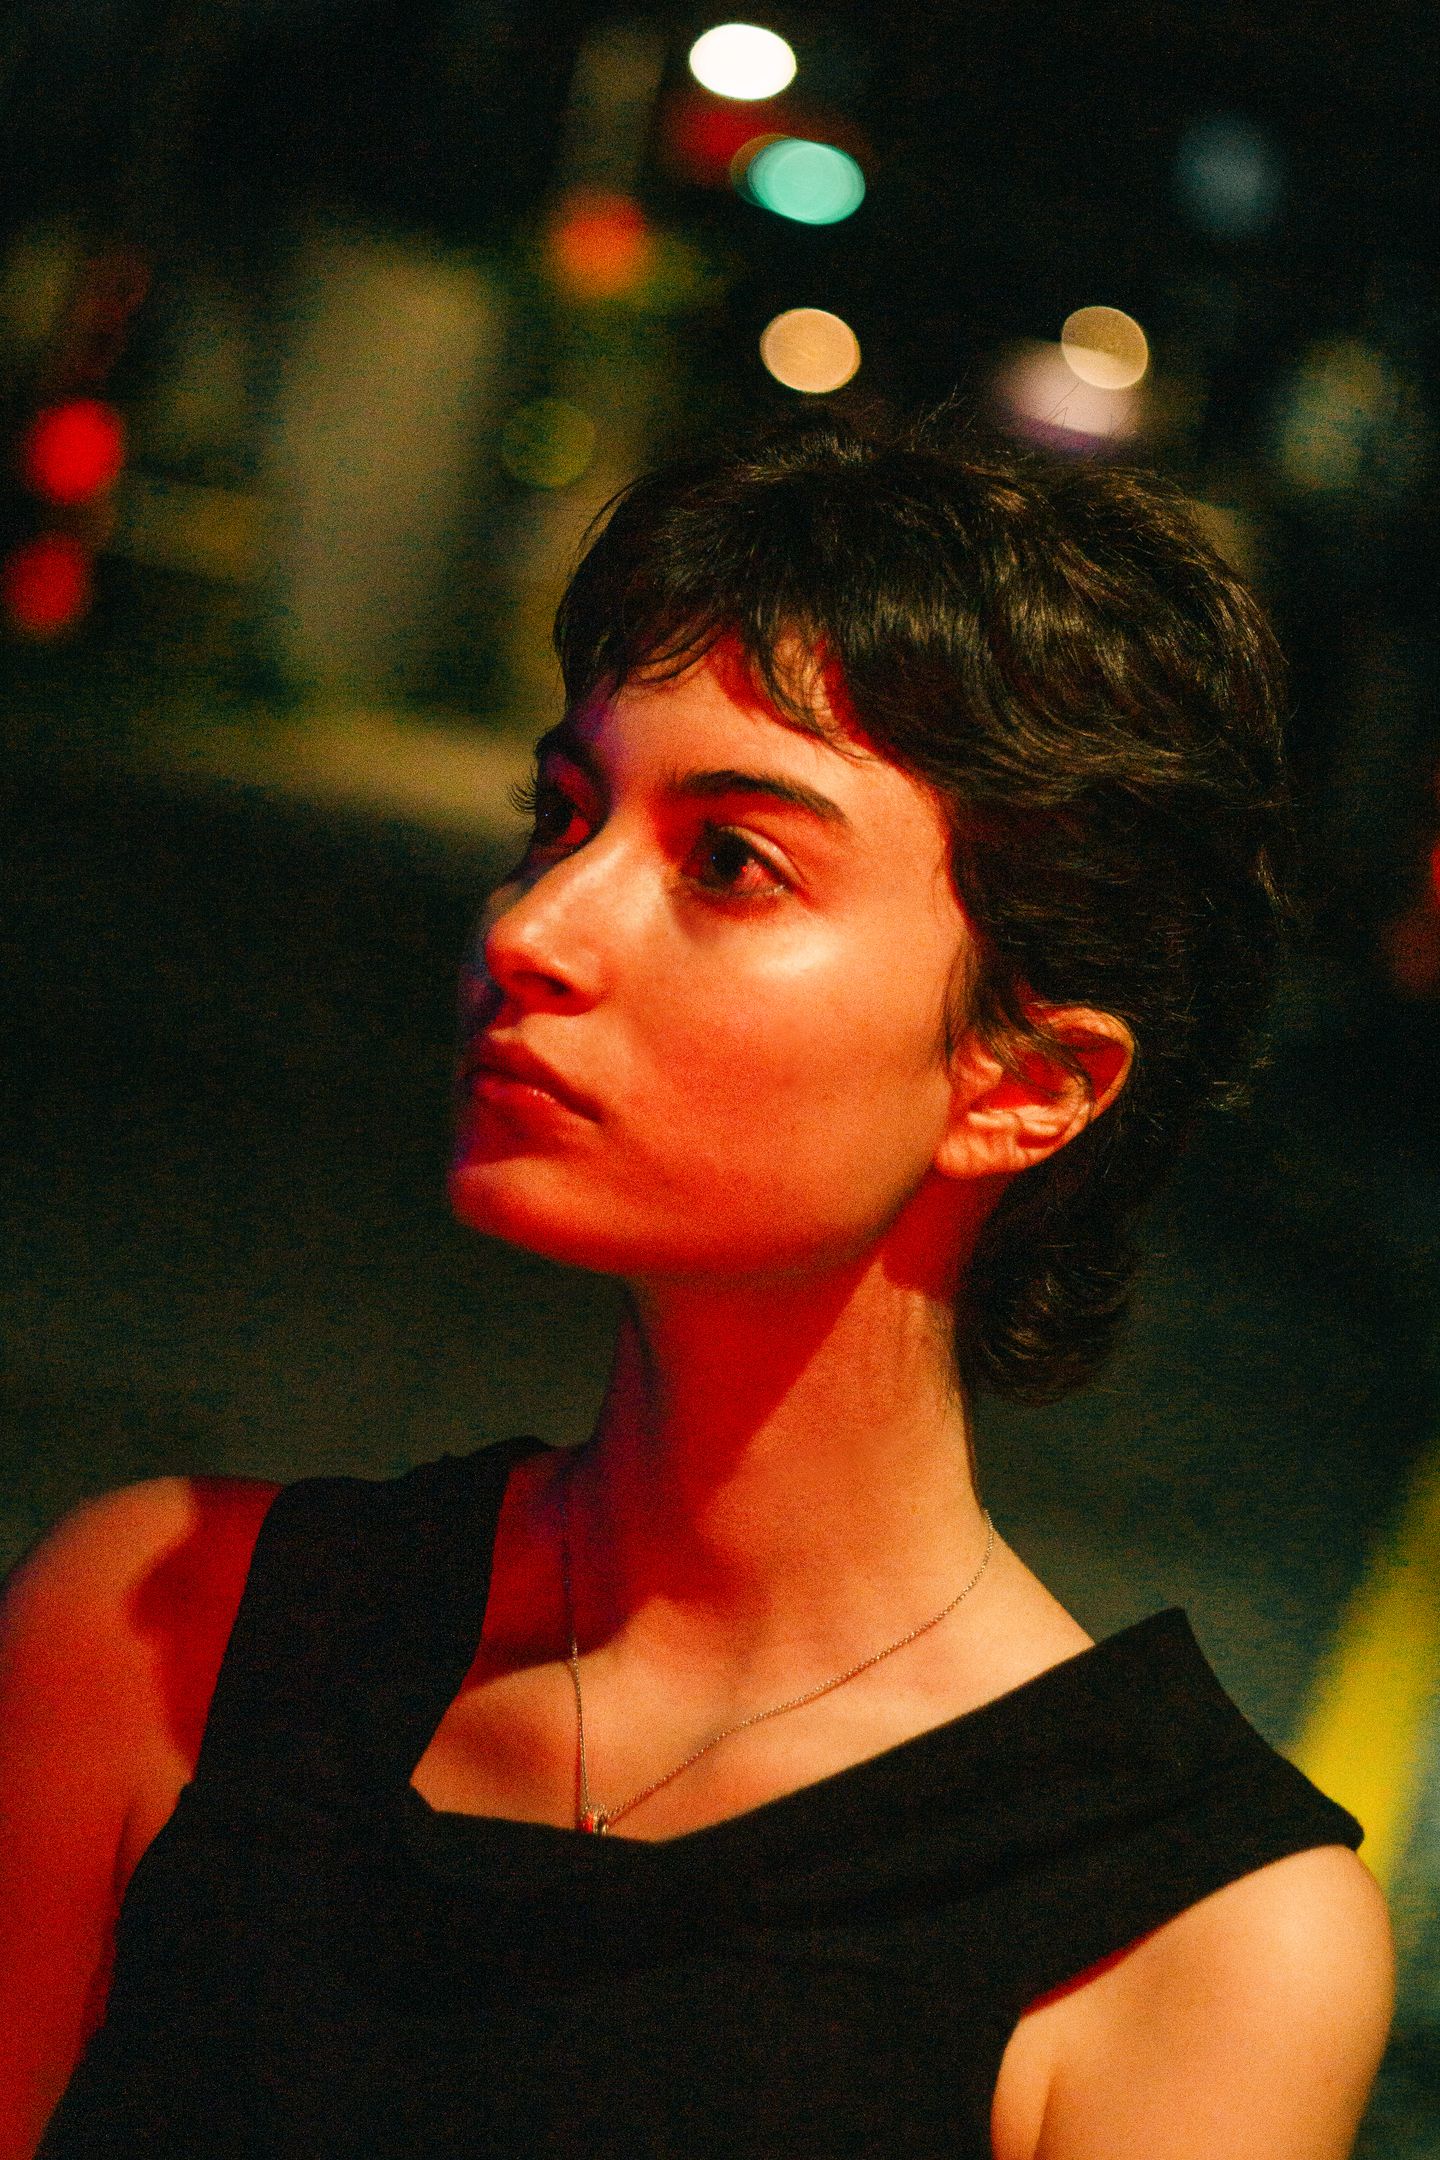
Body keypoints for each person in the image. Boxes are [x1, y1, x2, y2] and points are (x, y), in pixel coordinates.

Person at [0, 409, 1393, 2159]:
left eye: (732, 862)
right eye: (562, 816)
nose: (530, 931)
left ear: (1029, 1082)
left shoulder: (1187, 1946)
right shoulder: (161, 1632)